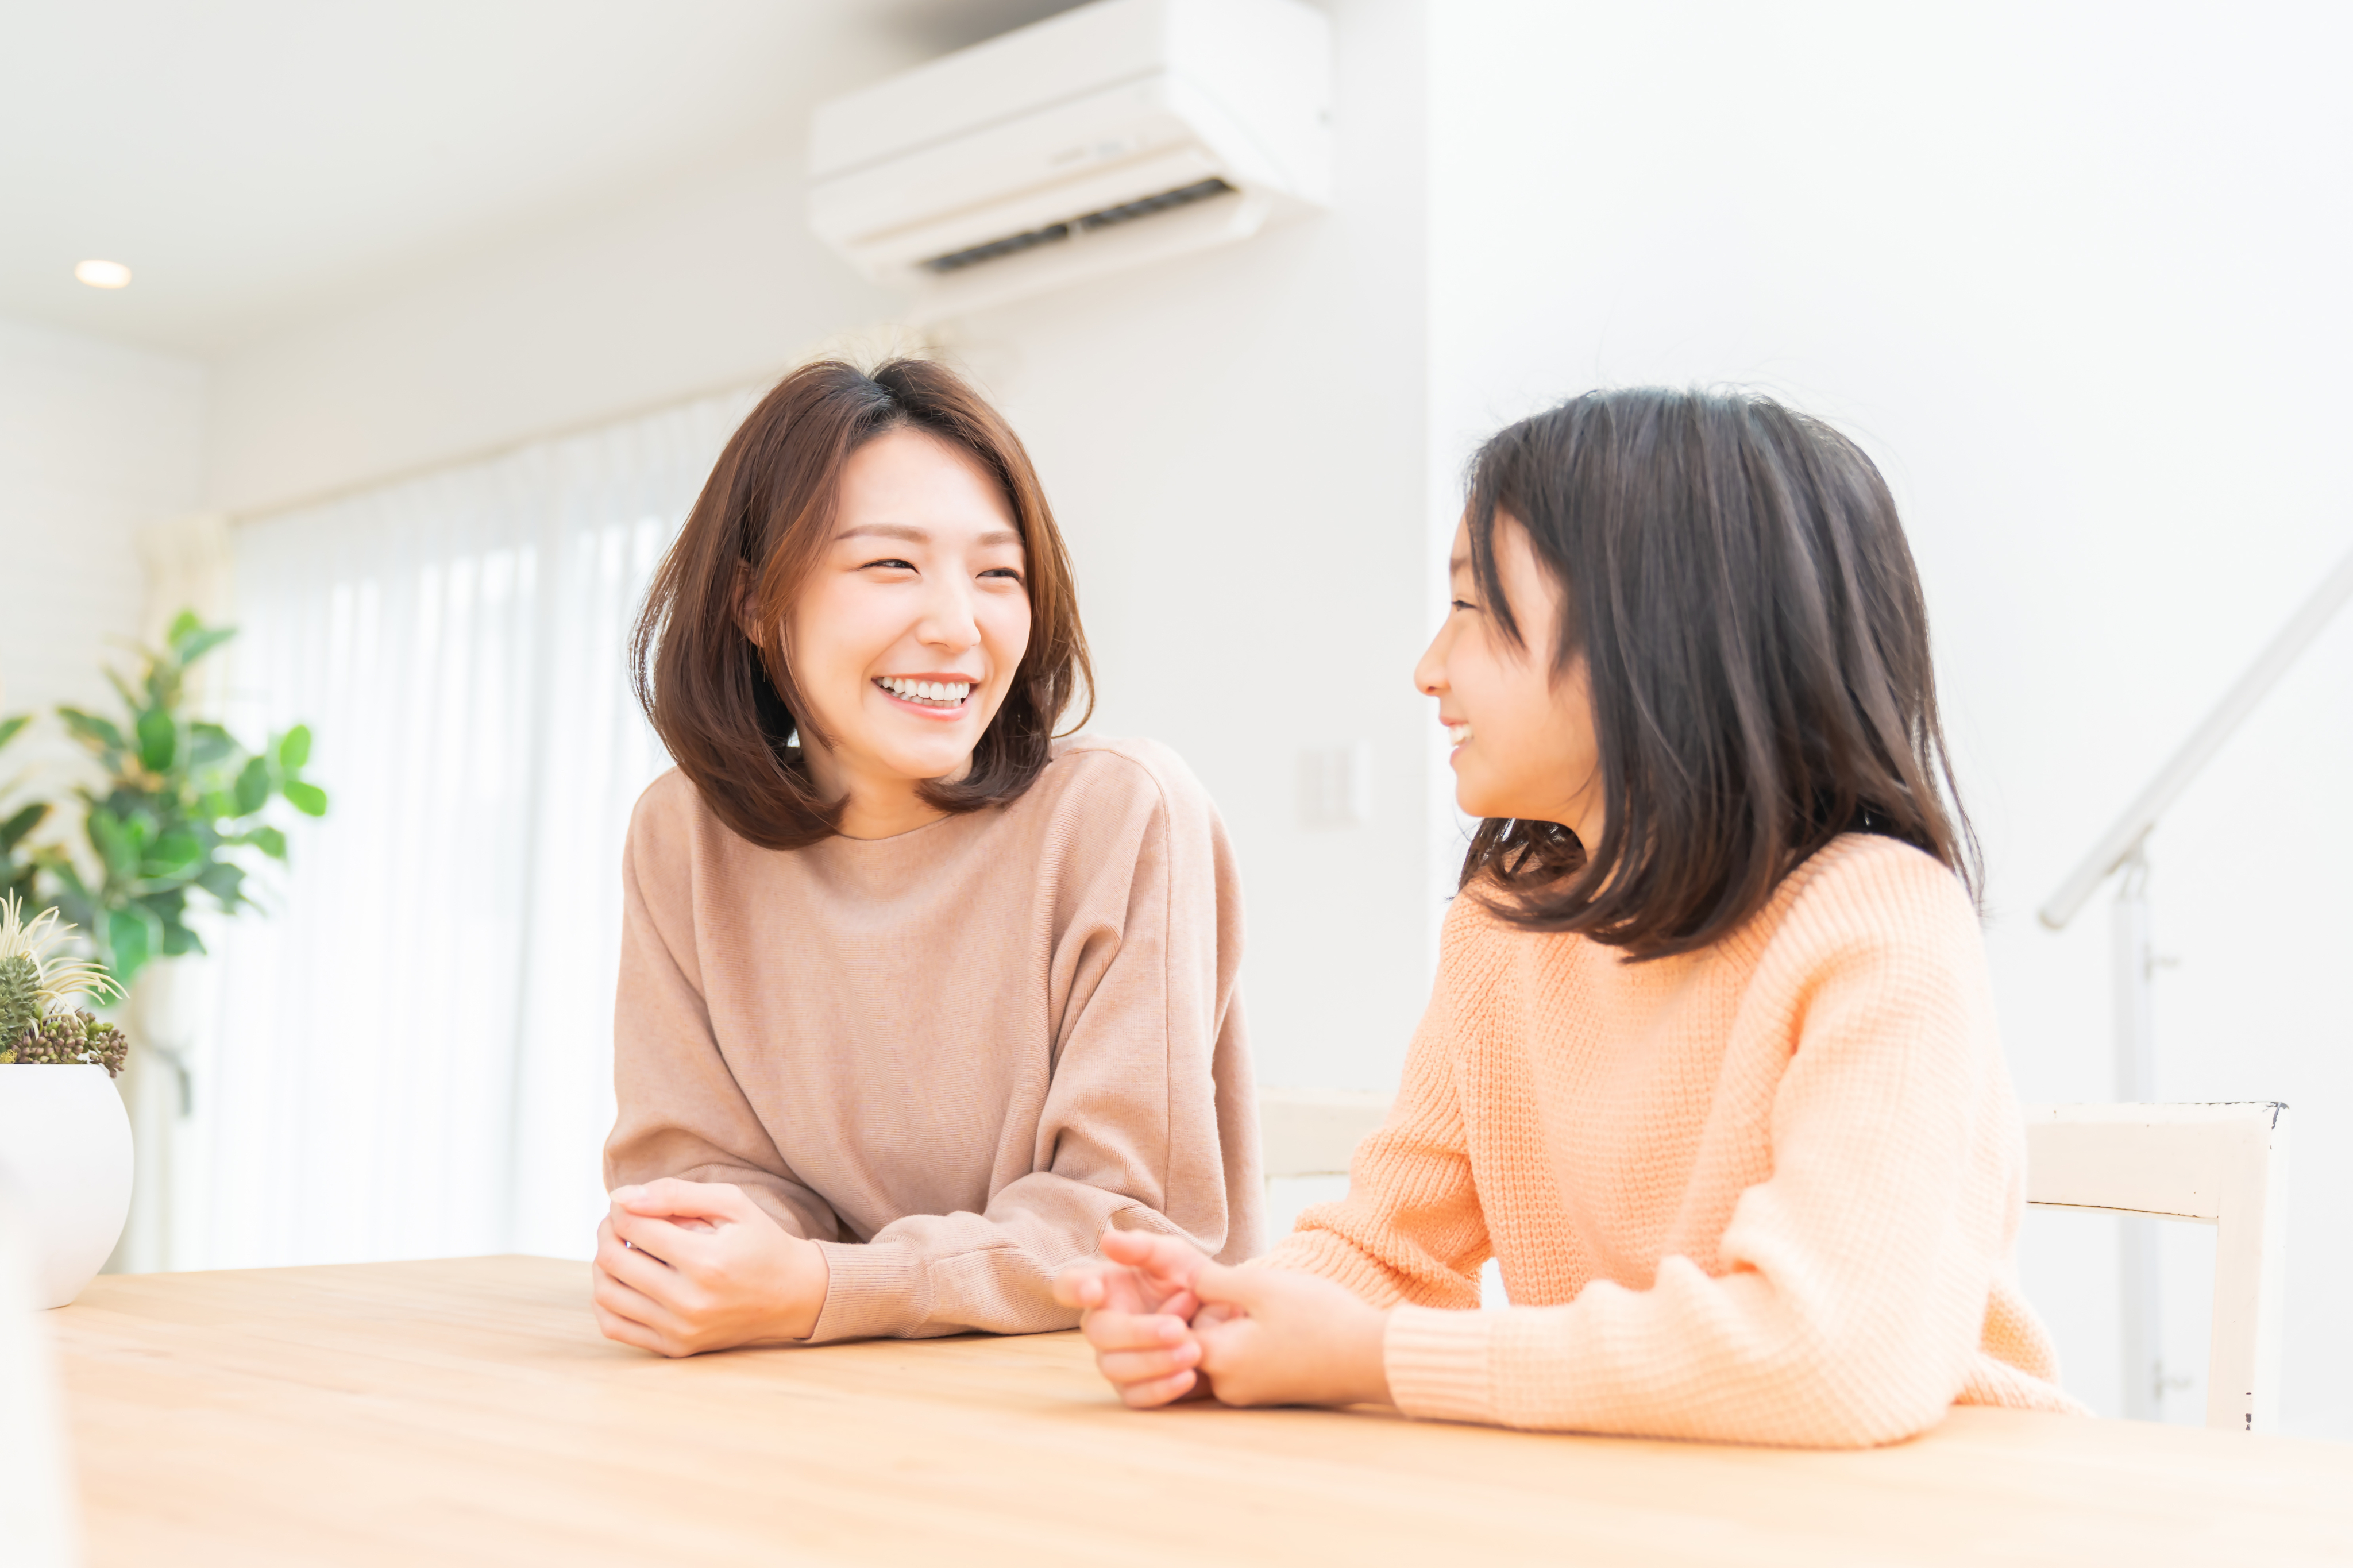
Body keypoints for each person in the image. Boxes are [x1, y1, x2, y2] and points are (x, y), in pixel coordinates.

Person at [1056, 387, 2085, 1446]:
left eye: (1470, 609)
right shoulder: (1510, 926)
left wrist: (1375, 1358)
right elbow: (1390, 1254)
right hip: (1653, 1490)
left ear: (1653, 631)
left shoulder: (1879, 923)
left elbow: (1823, 1354)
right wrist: (1218, 1317)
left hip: (1930, 1498)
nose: (1427, 669)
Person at [595, 358, 1260, 1356]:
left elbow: (1120, 1224)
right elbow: (703, 1172)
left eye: (999, 574)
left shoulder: (1123, 813)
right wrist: (699, 1256)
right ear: (753, 602)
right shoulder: (685, 838)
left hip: (1099, 1404)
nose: (958, 626)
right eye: (891, 566)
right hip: (810, 1406)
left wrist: (826, 1287)